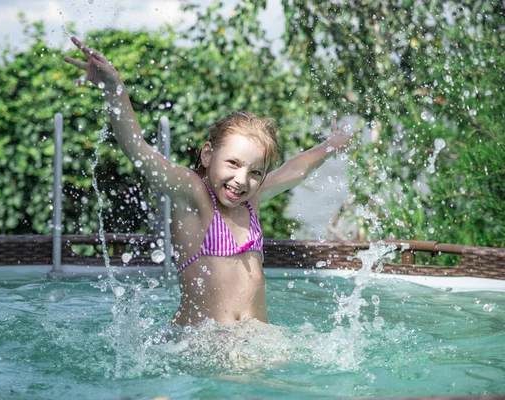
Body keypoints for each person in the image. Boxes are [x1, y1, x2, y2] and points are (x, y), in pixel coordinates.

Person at [64, 36, 355, 326]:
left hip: (255, 338)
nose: (242, 180)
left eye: (256, 172)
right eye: (233, 163)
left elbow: (294, 171)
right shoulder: (193, 194)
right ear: (207, 154)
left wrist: (330, 146)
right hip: (206, 344)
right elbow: (139, 150)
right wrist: (115, 91)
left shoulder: (251, 201)